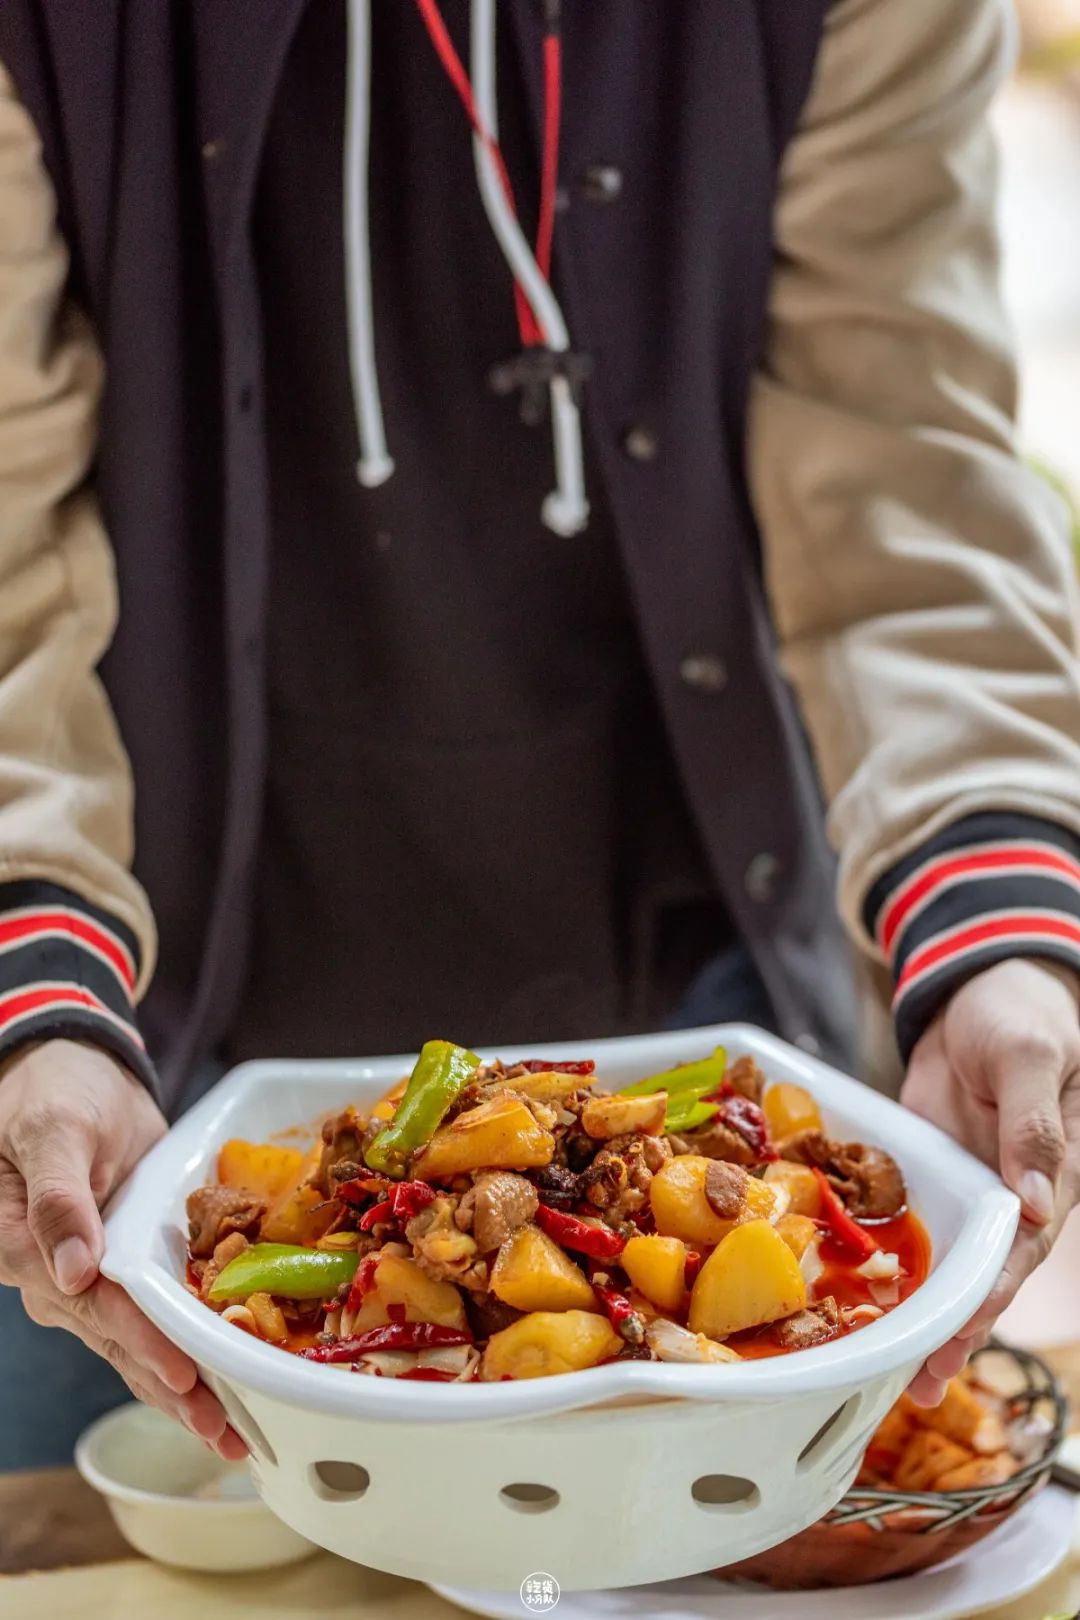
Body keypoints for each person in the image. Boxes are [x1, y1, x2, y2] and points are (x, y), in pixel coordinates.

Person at [0, 0, 1078, 1472]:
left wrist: (994, 933)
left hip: (716, 1012)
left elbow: (904, 465)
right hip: (133, 1067)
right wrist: (33, 992)